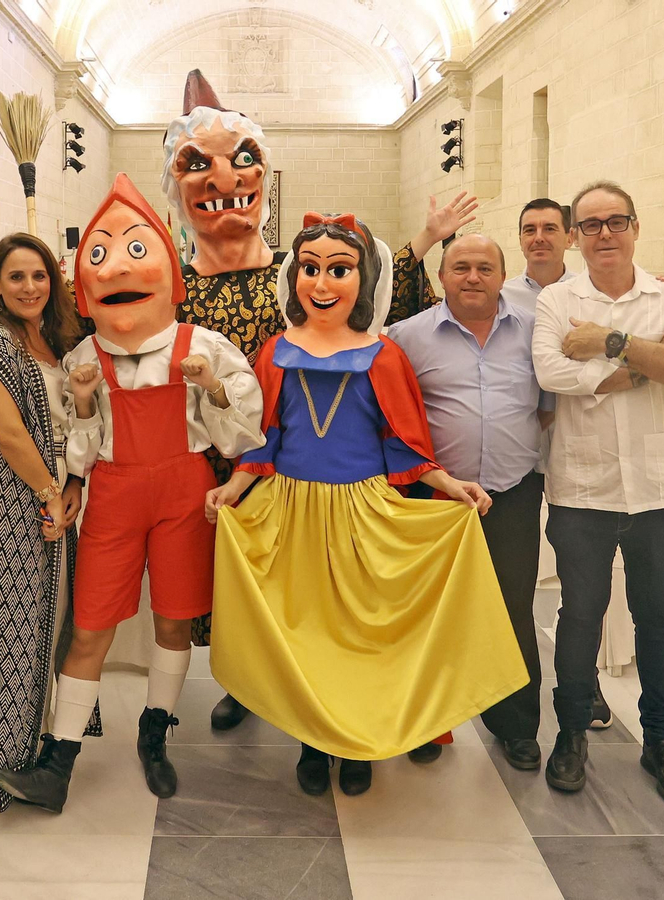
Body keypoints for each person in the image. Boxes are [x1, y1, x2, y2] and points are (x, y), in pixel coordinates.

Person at [163, 69, 479, 731]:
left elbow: (361, 284)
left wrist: (425, 239)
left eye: (240, 163)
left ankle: (331, 692)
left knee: (310, 591)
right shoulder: (174, 285)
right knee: (239, 584)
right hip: (219, 455)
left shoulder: (287, 271)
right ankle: (247, 682)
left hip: (293, 453)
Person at [206, 213, 525, 797]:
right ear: (293, 276)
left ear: (364, 279)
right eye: (310, 269)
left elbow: (404, 444)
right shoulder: (275, 351)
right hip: (291, 514)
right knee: (307, 637)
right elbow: (264, 438)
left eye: (339, 270)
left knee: (357, 637)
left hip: (362, 516)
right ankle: (311, 742)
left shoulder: (383, 356)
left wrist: (452, 487)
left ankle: (355, 746)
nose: (322, 285)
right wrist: (234, 487)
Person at [0, 173, 264, 812]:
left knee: (173, 619)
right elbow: (76, 454)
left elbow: (242, 436)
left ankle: (155, 734)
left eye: (137, 250)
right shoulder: (84, 354)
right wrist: (84, 403)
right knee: (90, 627)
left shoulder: (208, 347)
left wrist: (215, 389)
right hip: (113, 498)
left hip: (183, 493)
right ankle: (58, 762)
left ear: (170, 272)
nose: (119, 268)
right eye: (101, 254)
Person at [531, 180, 664, 809]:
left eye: (616, 222)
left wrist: (609, 344)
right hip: (584, 489)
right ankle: (572, 735)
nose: (604, 233)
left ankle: (663, 742)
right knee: (579, 619)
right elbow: (552, 373)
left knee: (659, 621)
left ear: (636, 227)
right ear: (576, 237)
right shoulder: (557, 300)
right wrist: (649, 362)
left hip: (660, 491)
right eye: (591, 225)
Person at [389, 234, 553, 771]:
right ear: (441, 277)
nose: (473, 277)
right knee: (430, 615)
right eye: (461, 267)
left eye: (485, 267)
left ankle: (517, 726)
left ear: (503, 275)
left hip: (511, 493)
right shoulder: (407, 338)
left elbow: (547, 408)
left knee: (511, 610)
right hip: (435, 500)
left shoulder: (534, 332)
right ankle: (426, 726)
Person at [0, 233, 86, 812]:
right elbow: (10, 434)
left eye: (39, 276)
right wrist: (50, 495)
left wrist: (73, 487)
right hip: (11, 503)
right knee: (8, 635)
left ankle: (36, 751)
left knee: (47, 624)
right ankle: (1, 767)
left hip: (54, 494)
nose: (30, 287)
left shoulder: (58, 338)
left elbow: (76, 420)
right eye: (16, 277)